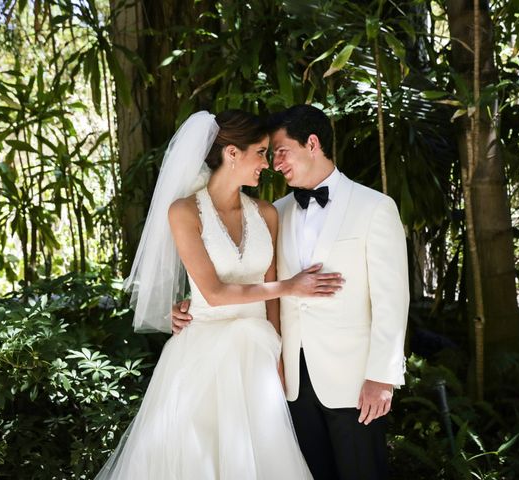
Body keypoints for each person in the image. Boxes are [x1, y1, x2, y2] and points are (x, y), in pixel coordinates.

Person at [96, 110, 344, 479]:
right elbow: (212, 292)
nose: (267, 164)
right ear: (231, 153)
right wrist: (291, 286)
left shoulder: (266, 213)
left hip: (257, 357)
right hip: (204, 357)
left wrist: (276, 352)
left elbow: (271, 300)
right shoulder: (184, 213)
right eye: (260, 153)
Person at [174, 105, 410, 480]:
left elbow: (392, 301)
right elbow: (247, 278)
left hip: (352, 381)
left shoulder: (375, 208)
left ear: (312, 143)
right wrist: (195, 304)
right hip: (288, 382)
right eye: (268, 153)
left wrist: (382, 377)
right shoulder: (274, 212)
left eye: (281, 151)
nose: (274, 164)